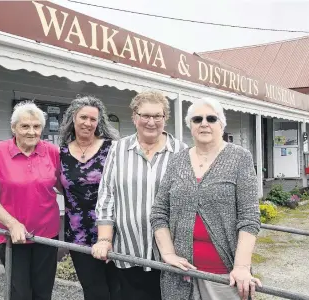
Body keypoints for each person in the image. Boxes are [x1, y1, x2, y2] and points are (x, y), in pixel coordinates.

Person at [150, 97, 263, 300]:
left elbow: (249, 218)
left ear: (221, 124)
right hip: (180, 273)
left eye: (211, 118)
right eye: (197, 119)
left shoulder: (240, 158)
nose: (204, 123)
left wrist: (241, 267)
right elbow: (159, 212)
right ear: (190, 126)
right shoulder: (177, 161)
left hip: (223, 274)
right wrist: (168, 254)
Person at [92, 90, 187, 300]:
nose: (151, 122)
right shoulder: (118, 149)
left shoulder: (181, 151)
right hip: (128, 249)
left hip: (170, 252)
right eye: (145, 115)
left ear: (165, 119)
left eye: (157, 116)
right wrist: (105, 239)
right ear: (135, 117)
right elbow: (106, 196)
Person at [0, 101, 60, 300]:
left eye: (37, 126)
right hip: (11, 237)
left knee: (43, 292)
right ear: (14, 128)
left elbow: (65, 187)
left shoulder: (53, 152)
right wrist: (10, 222)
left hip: (46, 235)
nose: (32, 132)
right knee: (19, 293)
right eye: (25, 126)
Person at [58, 95, 121, 300]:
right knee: (93, 291)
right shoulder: (61, 153)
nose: (88, 123)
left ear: (99, 122)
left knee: (117, 288)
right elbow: (58, 185)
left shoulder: (112, 149)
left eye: (93, 119)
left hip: (111, 230)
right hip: (77, 234)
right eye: (83, 117)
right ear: (73, 119)